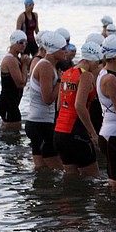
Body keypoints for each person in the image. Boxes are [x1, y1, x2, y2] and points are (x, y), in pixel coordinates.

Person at [54, 41, 102, 176]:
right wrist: (93, 134)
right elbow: (79, 106)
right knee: (94, 179)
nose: (98, 66)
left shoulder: (67, 72)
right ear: (91, 59)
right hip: (76, 132)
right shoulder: (86, 75)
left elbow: (59, 105)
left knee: (71, 179)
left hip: (59, 133)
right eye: (97, 62)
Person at [24, 31, 67, 170]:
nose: (66, 52)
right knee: (57, 168)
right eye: (63, 49)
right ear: (54, 50)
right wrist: (60, 81)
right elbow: (47, 99)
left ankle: (41, 191)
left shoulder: (47, 64)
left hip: (36, 122)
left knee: (42, 169)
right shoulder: (46, 66)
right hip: (41, 124)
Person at [96, 35, 116, 188]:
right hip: (113, 134)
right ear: (115, 56)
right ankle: (114, 210)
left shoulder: (106, 73)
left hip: (110, 133)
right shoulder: (110, 80)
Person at [0, 30, 31, 128]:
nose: (23, 45)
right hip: (7, 103)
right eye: (20, 42)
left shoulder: (16, 59)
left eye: (25, 43)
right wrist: (24, 65)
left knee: (11, 134)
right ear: (13, 43)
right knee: (12, 135)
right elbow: (20, 83)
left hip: (12, 103)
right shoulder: (10, 60)